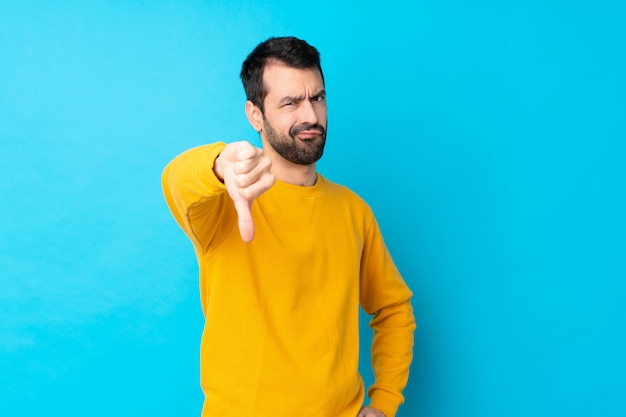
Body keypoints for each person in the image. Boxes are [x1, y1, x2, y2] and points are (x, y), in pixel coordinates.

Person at [162, 36, 415, 417]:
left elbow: (394, 309)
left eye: (317, 98)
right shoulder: (221, 205)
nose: (310, 116)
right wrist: (218, 165)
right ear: (255, 115)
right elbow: (175, 180)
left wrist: (384, 402)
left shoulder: (353, 211)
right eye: (290, 103)